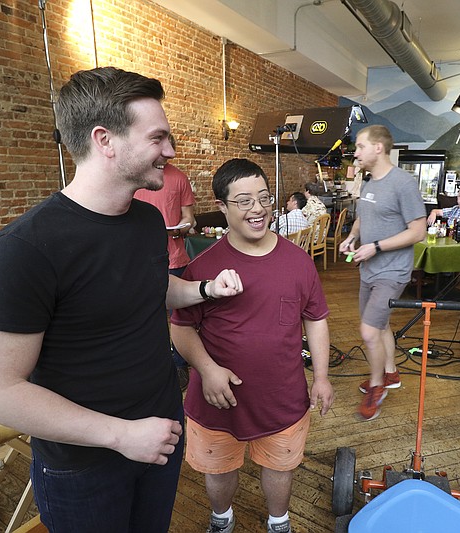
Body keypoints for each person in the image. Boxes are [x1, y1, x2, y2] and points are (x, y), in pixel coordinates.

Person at [0, 67, 243, 533]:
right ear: (105, 140)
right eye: (158, 138)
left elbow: (149, 291)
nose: (170, 152)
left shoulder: (146, 223)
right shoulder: (24, 249)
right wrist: (121, 435)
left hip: (159, 432)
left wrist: (204, 290)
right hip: (84, 464)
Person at [171, 158, 334, 533]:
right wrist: (208, 370)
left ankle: (279, 521)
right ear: (223, 207)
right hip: (217, 398)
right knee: (218, 467)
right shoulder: (204, 266)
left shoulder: (298, 261)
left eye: (263, 197)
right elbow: (180, 328)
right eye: (243, 201)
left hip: (283, 396)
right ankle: (221, 518)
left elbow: (316, 318)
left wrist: (321, 377)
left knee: (280, 465)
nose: (257, 208)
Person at [339, 125, 427, 421]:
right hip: (369, 270)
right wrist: (352, 237)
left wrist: (376, 247)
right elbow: (363, 217)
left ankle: (377, 387)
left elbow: (418, 232)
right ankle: (390, 373)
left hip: (393, 271)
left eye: (360, 146)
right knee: (380, 325)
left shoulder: (403, 183)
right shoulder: (368, 182)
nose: (356, 152)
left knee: (368, 330)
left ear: (378, 148)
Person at [134, 132, 196, 386]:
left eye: (169, 145)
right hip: (139, 259)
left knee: (179, 318)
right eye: (159, 144)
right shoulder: (135, 176)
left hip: (175, 259)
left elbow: (190, 218)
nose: (166, 151)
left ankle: (180, 366)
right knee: (147, 317)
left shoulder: (179, 178)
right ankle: (155, 366)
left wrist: (182, 227)